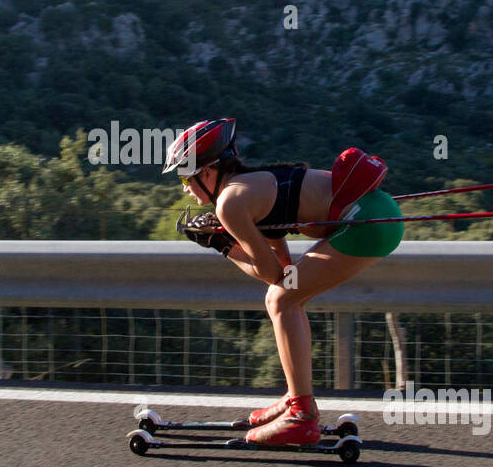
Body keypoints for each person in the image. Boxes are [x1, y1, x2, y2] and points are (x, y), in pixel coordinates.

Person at [163, 118, 403, 445]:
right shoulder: (252, 182)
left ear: (207, 171)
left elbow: (272, 275)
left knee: (280, 300)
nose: (184, 187)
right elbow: (285, 267)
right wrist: (232, 242)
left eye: (184, 176)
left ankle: (302, 416)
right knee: (285, 297)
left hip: (366, 224)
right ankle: (296, 399)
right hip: (377, 212)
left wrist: (222, 246)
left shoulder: (229, 203)